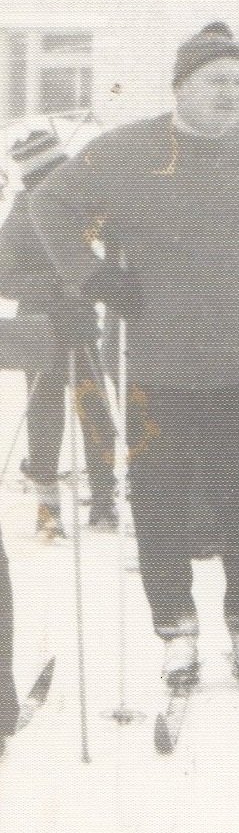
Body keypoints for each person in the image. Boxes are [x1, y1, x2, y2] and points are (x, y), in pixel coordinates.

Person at [30, 23, 239, 689]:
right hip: (153, 364)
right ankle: (175, 629)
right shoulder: (128, 150)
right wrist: (91, 275)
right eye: (215, 80)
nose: (229, 94)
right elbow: (51, 202)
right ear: (180, 86)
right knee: (158, 497)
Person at [2, 130, 115, 538]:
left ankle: (104, 503)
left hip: (80, 323)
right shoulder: (21, 214)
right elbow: (4, 276)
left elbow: (105, 248)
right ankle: (47, 509)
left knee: (96, 411)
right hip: (40, 329)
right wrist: (58, 284)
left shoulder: (80, 205)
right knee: (45, 417)